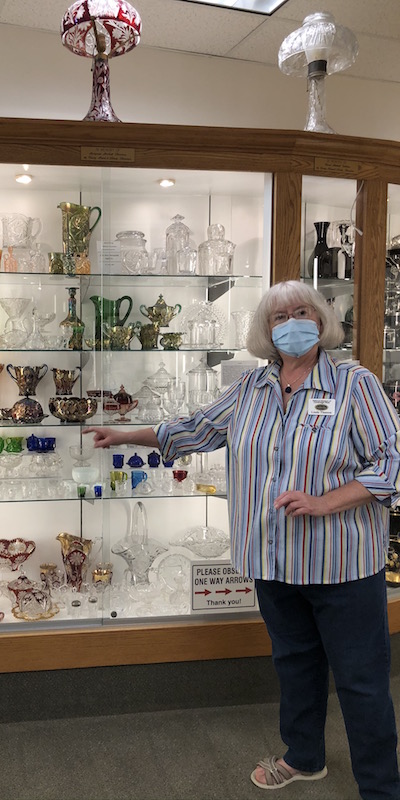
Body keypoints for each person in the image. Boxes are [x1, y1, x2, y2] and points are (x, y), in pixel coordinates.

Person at [84, 280, 400, 799]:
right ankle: (305, 757)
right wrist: (123, 435)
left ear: (320, 321)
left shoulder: (353, 383)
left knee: (361, 682)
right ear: (265, 330)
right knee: (295, 666)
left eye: (302, 312)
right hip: (273, 560)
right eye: (279, 317)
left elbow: (390, 461)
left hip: (340, 564)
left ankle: (382, 789)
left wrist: (324, 501)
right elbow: (192, 429)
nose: (292, 323)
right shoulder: (251, 388)